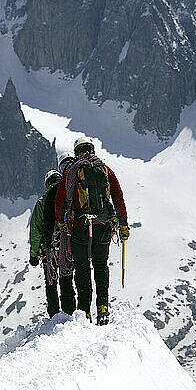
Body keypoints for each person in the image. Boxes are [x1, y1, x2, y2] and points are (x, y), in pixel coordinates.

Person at [55, 136, 129, 325]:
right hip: (103, 226)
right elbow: (118, 197)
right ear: (92, 149)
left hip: (80, 227)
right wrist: (123, 225)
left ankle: (84, 310)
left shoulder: (71, 171)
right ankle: (103, 307)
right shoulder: (105, 169)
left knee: (82, 267)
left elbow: (60, 200)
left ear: (76, 151)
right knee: (100, 265)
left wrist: (63, 223)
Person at [29, 169, 76, 318]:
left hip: (48, 248)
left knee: (50, 281)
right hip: (67, 245)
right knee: (66, 277)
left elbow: (36, 230)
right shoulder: (68, 197)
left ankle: (54, 313)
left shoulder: (42, 202)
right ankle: (69, 311)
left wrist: (33, 254)